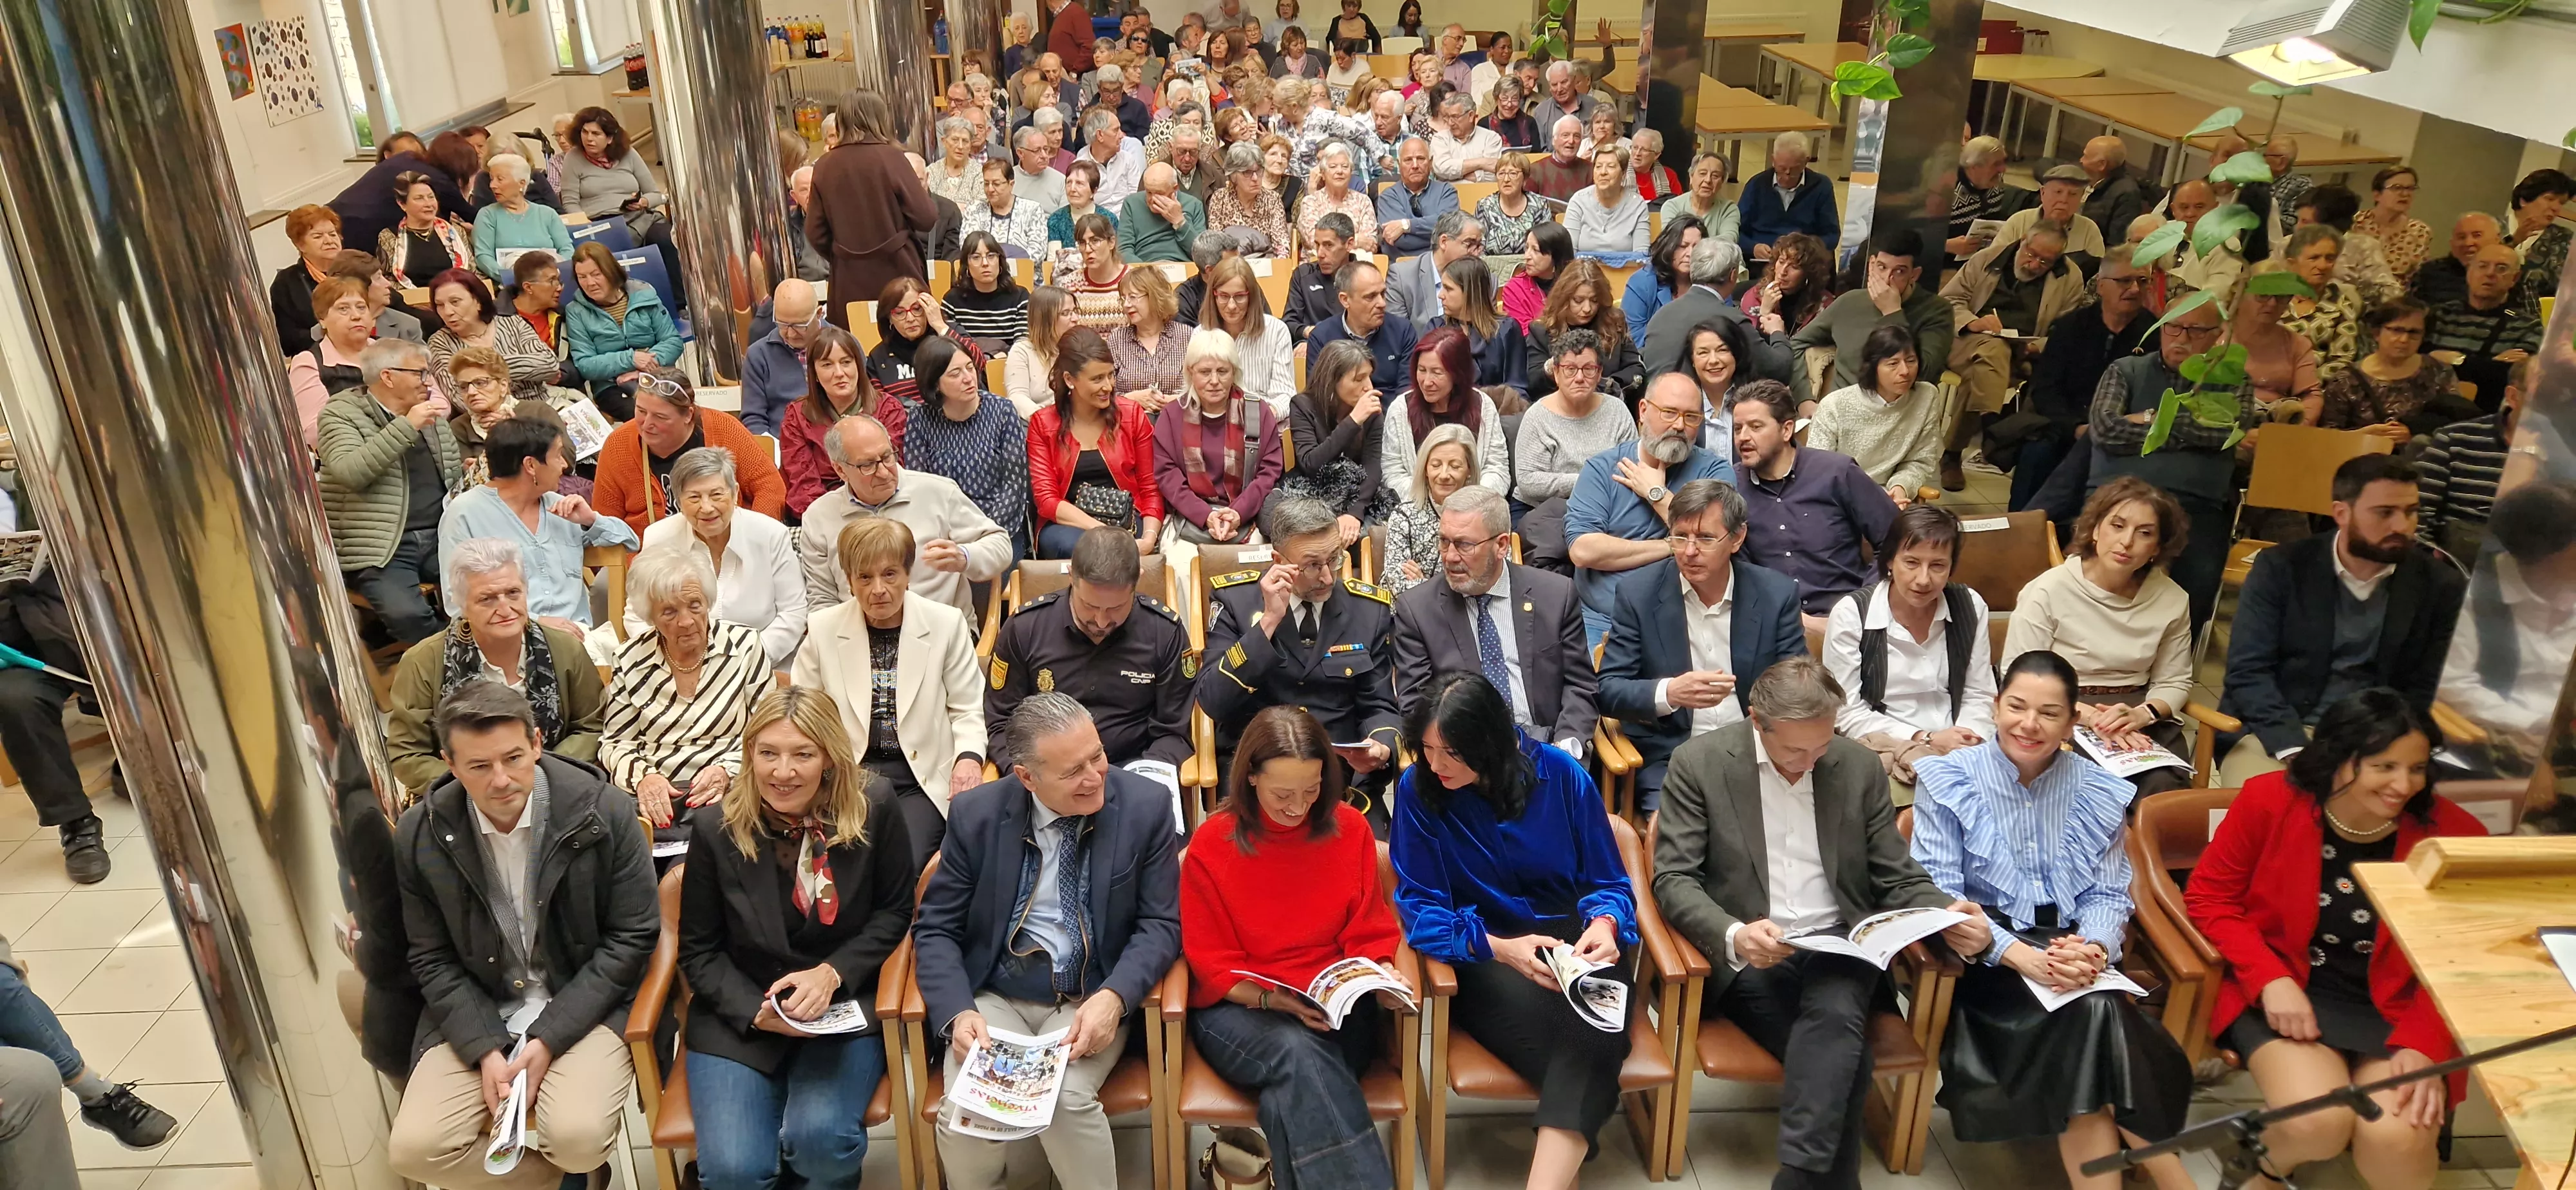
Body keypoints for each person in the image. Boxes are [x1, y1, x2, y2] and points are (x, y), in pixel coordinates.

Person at [1652, 656, 1983, 1190]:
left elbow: (1895, 876)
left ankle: (1800, 1174)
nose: (1810, 762)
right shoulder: (1701, 763)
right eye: (1795, 750)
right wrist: (1736, 934)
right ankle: (1814, 1178)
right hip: (1757, 950)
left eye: (1822, 746)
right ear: (1758, 722)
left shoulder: (1855, 767)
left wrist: (1944, 910)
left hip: (1840, 944)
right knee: (1842, 1060)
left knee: (1834, 1014)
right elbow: (1674, 880)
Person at [1909, 651, 2197, 1190]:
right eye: (2016, 707)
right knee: (2100, 1014)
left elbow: (2109, 890)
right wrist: (2022, 957)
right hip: (1987, 959)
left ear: (2071, 722)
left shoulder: (2095, 786)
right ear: (1995, 708)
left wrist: (2092, 949)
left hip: (2071, 953)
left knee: (2094, 1011)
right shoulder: (1950, 778)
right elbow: (1939, 893)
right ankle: (2176, 1178)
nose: (2029, 724)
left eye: (2048, 713)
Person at [2184, 690, 2474, 1190]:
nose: (2403, 785)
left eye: (2418, 768)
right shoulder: (2269, 800)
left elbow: (2462, 955)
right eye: (2384, 766)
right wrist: (2269, 978)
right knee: (2316, 1120)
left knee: (2398, 1135)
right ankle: (2266, 1171)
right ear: (2340, 758)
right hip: (2290, 982)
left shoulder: (2455, 836)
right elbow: (2210, 897)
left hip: (2400, 1004)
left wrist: (2427, 1044)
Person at [386, 679, 657, 1190]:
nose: (502, 780)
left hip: (584, 1001)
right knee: (414, 1151)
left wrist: (549, 1038)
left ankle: (578, 1167)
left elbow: (633, 938)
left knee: (575, 1136)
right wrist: (485, 1048)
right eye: (479, 766)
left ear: (537, 742)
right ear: (449, 762)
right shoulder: (420, 833)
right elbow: (431, 957)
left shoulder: (605, 812)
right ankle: (560, 1183)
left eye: (514, 757)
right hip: (482, 1004)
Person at [913, 689, 1178, 1190]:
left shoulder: (1145, 807)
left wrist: (1115, 999)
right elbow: (936, 927)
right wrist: (957, 1012)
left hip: (1089, 993)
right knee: (966, 1110)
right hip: (997, 995)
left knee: (1065, 1101)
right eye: (1072, 771)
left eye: (1096, 757)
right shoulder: (978, 815)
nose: (1094, 776)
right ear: (1027, 777)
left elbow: (1160, 925)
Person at [1389, 671, 1633, 1190]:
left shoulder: (1563, 775)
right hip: (1485, 945)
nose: (1436, 764)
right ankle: (1577, 1123)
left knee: (1596, 1024)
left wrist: (1607, 923)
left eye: (1451, 752)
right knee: (1597, 1047)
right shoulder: (1418, 791)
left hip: (1574, 937)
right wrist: (1498, 948)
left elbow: (1608, 880)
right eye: (1427, 749)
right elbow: (1418, 907)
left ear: (1492, 742)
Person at [674, 687, 915, 1190]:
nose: (783, 772)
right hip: (741, 1014)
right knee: (735, 1173)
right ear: (749, 756)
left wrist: (833, 974)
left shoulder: (875, 804)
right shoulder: (716, 827)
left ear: (828, 757)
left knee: (822, 1143)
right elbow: (699, 950)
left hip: (841, 1006)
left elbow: (895, 912)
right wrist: (753, 1010)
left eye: (802, 754)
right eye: (768, 754)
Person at [1179, 704, 1401, 1189]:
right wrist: (1271, 998)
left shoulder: (1350, 829)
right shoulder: (1213, 843)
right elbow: (1210, 963)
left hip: (1331, 1008)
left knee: (1290, 1094)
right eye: (1283, 794)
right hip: (1242, 1009)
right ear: (1251, 778)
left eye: (1312, 789)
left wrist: (1384, 974)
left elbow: (1369, 930)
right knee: (1295, 1053)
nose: (1298, 807)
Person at [2219, 455, 2464, 785]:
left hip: (2378, 738)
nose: (2402, 527)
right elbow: (2248, 672)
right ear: (2342, 514)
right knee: (2280, 812)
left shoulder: (2439, 585)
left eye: (2411, 512)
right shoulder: (2282, 568)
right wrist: (2293, 748)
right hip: (2279, 731)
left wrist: (2381, 752)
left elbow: (2425, 688)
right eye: (2385, 513)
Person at [1589, 476, 1804, 810]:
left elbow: (1798, 686)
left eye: (1705, 538)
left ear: (1737, 538)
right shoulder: (1639, 594)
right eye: (1679, 537)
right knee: (1684, 838)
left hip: (1760, 752)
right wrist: (1670, 693)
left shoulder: (1775, 595)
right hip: (1673, 758)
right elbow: (1609, 690)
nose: (1689, 552)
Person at [786, 516, 983, 870]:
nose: (879, 589)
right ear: (849, 581)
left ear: (909, 575)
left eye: (890, 574)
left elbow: (968, 708)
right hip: (847, 777)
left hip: (919, 781)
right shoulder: (823, 629)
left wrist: (968, 759)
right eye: (865, 577)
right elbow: (804, 713)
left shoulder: (946, 624)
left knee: (900, 862)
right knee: (839, 862)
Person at [2003, 477, 2199, 800]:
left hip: (2137, 713)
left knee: (2162, 792)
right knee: (2091, 792)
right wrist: (2092, 717)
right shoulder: (2048, 590)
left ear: (2158, 548)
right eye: (2117, 526)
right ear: (2095, 530)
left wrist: (2142, 714)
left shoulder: (2172, 599)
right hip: (2063, 710)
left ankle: (2144, 852)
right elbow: (2019, 674)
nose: (2127, 542)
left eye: (2145, 533)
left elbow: (2175, 681)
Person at [2087, 296, 2259, 631]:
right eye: (2173, 327)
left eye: (2194, 330)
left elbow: (2224, 433)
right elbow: (2106, 429)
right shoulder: (2126, 370)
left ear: (2217, 336)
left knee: (2198, 582)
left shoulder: (2235, 382)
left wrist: (2150, 419)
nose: (2180, 338)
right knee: (2101, 575)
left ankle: (2172, 664)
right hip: (2119, 500)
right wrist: (2187, 431)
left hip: (2195, 505)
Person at [387, 538, 607, 795]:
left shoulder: (566, 649)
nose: (505, 609)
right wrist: (478, 783)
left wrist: (538, 774)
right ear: (462, 606)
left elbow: (592, 727)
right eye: (487, 599)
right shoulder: (423, 661)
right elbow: (407, 754)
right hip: (464, 798)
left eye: (513, 593)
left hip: (557, 789)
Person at [1389, 484, 1597, 751]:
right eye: (1444, 541)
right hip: (1465, 756)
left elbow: (1580, 684)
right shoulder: (1417, 609)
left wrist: (1567, 742)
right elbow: (1416, 705)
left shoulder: (1556, 595)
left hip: (1549, 749)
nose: (1450, 557)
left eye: (1464, 544)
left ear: (1501, 545)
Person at [1197, 497, 1403, 764]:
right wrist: (1268, 622)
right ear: (1279, 561)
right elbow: (1214, 702)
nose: (1328, 577)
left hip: (1340, 772)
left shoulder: (1368, 610)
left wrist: (1381, 746)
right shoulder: (1235, 601)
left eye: (1334, 559)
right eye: (1312, 566)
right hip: (1258, 771)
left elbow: (1379, 705)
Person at [1819, 505, 1996, 800]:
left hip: (1960, 744)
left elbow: (1978, 693)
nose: (1923, 579)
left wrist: (1967, 738)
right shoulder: (1853, 614)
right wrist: (1924, 740)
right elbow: (1846, 711)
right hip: (1885, 747)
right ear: (1890, 561)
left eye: (1938, 566)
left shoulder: (1970, 606)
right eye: (1911, 562)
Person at [600, 543, 768, 831]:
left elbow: (768, 732)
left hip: (728, 793)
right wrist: (644, 778)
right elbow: (615, 743)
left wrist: (726, 771)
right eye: (669, 612)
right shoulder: (630, 659)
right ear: (650, 616)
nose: (687, 621)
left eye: (695, 605)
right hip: (653, 795)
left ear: (708, 601)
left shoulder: (745, 646)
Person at [1566, 372, 1739, 640]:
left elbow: (1715, 540)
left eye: (1691, 417)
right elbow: (1583, 551)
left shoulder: (1714, 470)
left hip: (1691, 620)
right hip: (1606, 619)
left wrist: (1657, 494)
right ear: (1644, 411)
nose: (1680, 426)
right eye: (1669, 413)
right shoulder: (1602, 470)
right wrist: (1671, 545)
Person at [437, 415, 640, 643]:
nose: (564, 464)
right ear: (531, 465)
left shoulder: (561, 506)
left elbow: (631, 543)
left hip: (577, 641)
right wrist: (532, 623)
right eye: (557, 455)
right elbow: (457, 603)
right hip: (509, 642)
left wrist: (591, 520)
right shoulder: (465, 514)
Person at [318, 339, 461, 646]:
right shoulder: (340, 414)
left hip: (443, 535)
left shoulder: (429, 415)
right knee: (408, 615)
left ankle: (476, 658)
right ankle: (453, 668)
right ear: (388, 376)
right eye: (420, 374)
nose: (428, 382)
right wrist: (406, 426)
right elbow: (350, 471)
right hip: (382, 547)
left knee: (495, 586)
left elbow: (451, 475)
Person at [800, 412, 1015, 614]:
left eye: (887, 457)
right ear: (840, 470)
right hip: (858, 638)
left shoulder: (938, 492)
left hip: (941, 632)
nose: (884, 472)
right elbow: (822, 600)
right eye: (868, 465)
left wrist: (965, 557)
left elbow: (1000, 545)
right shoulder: (819, 517)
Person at [627, 448, 807, 672]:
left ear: (735, 494)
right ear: (679, 502)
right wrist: (674, 660)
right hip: (681, 667)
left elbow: (793, 612)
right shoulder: (660, 536)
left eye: (716, 495)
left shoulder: (771, 534)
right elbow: (637, 615)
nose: (707, 507)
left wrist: (749, 662)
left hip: (764, 665)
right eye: (694, 497)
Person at [1731, 381, 1899, 620]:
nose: (1743, 437)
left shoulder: (1837, 472)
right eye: (1738, 429)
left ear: (1786, 430)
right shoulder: (1733, 485)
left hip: (1849, 615)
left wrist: (1862, 605)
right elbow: (1741, 570)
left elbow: (1895, 539)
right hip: (1774, 621)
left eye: (1755, 427)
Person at [1938, 227, 2083, 489]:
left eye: (2045, 261)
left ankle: (1953, 454)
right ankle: (1995, 428)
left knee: (1981, 374)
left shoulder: (2070, 277)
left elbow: (2067, 329)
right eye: (2031, 254)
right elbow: (1948, 300)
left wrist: (2037, 346)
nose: (2035, 264)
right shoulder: (1988, 259)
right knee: (1994, 350)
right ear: (2022, 242)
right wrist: (1974, 322)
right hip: (1967, 340)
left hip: (2023, 350)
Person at [0, 569, 120, 882]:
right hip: (17, 647)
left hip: (85, 613)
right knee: (14, 699)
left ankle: (137, 759)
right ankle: (77, 823)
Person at [2012, 254, 2151, 513]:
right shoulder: (2071, 327)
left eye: (2142, 281)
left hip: (2124, 434)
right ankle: (2020, 532)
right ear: (2100, 285)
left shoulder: (2154, 334)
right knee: (2037, 454)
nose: (2134, 289)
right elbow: (2045, 390)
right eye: (2125, 281)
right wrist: (2075, 427)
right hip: (2067, 425)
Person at [592, 368, 789, 534]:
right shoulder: (618, 446)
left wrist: (752, 539)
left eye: (660, 417)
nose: (647, 424)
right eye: (641, 411)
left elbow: (770, 488)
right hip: (652, 559)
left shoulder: (726, 430)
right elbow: (607, 522)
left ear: (688, 415)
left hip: (729, 545)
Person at [810, 91, 938, 330]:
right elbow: (926, 218)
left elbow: (815, 232)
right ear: (880, 118)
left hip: (848, 278)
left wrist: (846, 254)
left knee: (852, 353)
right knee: (910, 343)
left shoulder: (824, 165)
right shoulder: (893, 158)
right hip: (899, 270)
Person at [1155, 326, 1285, 559]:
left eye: (1222, 371)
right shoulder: (1173, 415)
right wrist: (1205, 515)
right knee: (1180, 564)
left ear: (1234, 372)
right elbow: (1168, 476)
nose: (1214, 381)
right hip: (1189, 517)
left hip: (1246, 515)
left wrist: (1238, 512)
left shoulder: (1257, 412)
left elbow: (1269, 472)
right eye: (1205, 372)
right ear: (1190, 372)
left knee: (1255, 564)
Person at [1790, 229, 1951, 414]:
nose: (1886, 279)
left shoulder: (1937, 311)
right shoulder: (1849, 301)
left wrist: (1892, 312)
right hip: (1839, 413)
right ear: (1871, 265)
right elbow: (1796, 344)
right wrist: (1803, 399)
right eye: (1882, 267)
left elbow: (1924, 374)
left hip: (1898, 416)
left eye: (1899, 271)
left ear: (1914, 275)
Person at [1804, 325, 1942, 508]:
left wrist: (1901, 487)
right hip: (1838, 499)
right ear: (1873, 367)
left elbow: (1920, 461)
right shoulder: (1835, 405)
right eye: (1893, 363)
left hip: (1889, 497)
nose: (1905, 371)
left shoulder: (1927, 396)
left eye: (1911, 360)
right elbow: (1818, 471)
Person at [2416, 357, 2526, 560]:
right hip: (2461, 565)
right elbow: (2417, 514)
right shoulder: (2454, 440)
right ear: (2513, 396)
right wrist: (2431, 566)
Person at [2313, 296, 2464, 444]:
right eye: (2397, 330)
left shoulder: (2439, 371)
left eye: (2414, 333)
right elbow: (2327, 436)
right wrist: (2362, 436)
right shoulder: (2346, 379)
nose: (2404, 340)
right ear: (2377, 333)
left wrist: (2414, 434)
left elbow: (2456, 425)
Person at [565, 241, 683, 416]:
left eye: (596, 274)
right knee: (643, 414)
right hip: (612, 385)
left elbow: (673, 341)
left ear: (611, 271)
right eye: (582, 277)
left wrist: (640, 370)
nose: (590, 283)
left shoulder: (643, 294)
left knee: (680, 412)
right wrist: (631, 359)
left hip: (657, 374)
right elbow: (585, 364)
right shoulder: (576, 311)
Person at [328, 133, 472, 270]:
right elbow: (475, 216)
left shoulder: (406, 157)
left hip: (333, 213)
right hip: (360, 227)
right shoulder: (440, 180)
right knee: (361, 275)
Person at [2426, 243, 2541, 413]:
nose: (2490, 273)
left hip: (2485, 415)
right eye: (2482, 266)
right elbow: (2419, 361)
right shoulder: (2439, 315)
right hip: (2427, 406)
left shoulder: (2528, 326)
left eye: (2501, 268)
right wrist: (2490, 363)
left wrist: (2459, 360)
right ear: (2469, 272)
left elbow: (2506, 377)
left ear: (2515, 279)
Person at [426, 270, 561, 402]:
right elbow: (459, 397)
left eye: (455, 302)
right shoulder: (440, 342)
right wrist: (526, 369)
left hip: (541, 405)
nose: (448, 312)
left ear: (478, 301)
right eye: (440, 305)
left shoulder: (513, 323)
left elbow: (550, 365)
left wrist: (477, 374)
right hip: (490, 418)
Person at [1528, 258, 1646, 405]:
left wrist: (1608, 386)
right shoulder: (1542, 330)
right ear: (1564, 299)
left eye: (1594, 300)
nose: (1587, 309)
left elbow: (1636, 368)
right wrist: (1553, 367)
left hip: (1608, 406)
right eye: (1578, 300)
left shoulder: (1614, 322)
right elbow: (1532, 382)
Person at [1379, 425, 1479, 595]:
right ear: (1425, 469)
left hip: (1467, 615)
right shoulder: (1404, 516)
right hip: (1409, 616)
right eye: (1436, 465)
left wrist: (1424, 584)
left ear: (1469, 470)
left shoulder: (1484, 516)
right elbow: (1397, 585)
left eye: (1455, 466)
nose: (1444, 474)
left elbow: (1488, 580)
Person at [1311, 261, 1425, 397]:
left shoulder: (1403, 331)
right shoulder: (1321, 337)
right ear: (1345, 300)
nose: (1382, 303)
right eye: (1371, 297)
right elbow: (1320, 397)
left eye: (1383, 294)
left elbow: (1406, 394)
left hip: (1391, 416)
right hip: (1343, 418)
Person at [290, 277, 379, 446]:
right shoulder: (309, 363)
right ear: (322, 319)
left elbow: (438, 402)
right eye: (343, 309)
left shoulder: (392, 351)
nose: (356, 316)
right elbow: (315, 431)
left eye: (361, 307)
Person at [2277, 223, 2369, 381]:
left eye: (2330, 258)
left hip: (2314, 388)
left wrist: (2305, 383)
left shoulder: (2341, 304)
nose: (2323, 266)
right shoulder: (2271, 297)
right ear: (2292, 263)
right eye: (2314, 258)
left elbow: (2342, 360)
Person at [1738, 132, 1839, 270]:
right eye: (1781, 168)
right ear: (1773, 160)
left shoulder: (1821, 186)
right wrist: (1753, 247)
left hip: (1803, 262)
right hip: (1762, 262)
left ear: (1806, 162)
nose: (1787, 175)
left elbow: (1832, 235)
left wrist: (1807, 250)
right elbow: (1737, 230)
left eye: (1794, 170)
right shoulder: (1757, 184)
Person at [471, 154, 573, 279]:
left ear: (521, 183)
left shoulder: (547, 214)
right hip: (510, 285)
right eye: (492, 179)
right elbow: (483, 256)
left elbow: (567, 250)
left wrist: (553, 274)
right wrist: (510, 277)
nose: (493, 185)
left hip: (551, 281)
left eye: (500, 179)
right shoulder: (487, 215)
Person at [376, 171, 476, 291]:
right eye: (419, 198)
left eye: (431, 197)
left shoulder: (455, 231)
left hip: (456, 296)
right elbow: (387, 279)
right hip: (411, 303)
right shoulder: (390, 236)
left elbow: (472, 270)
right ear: (402, 204)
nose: (428, 204)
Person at [1109, 264, 1191, 410]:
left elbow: (1202, 389)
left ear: (1154, 297)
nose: (1126, 305)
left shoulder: (1186, 336)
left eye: (1133, 297)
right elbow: (1102, 394)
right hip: (1130, 426)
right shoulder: (1116, 340)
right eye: (1123, 298)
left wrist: (1178, 400)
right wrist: (1130, 399)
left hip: (1179, 423)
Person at [1945, 135, 2033, 270]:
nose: (2003, 169)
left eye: (2004, 162)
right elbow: (1912, 238)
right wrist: (1947, 246)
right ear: (1974, 167)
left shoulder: (1995, 186)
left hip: (1980, 261)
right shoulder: (1946, 191)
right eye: (1996, 164)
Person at [273, 203, 348, 357]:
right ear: (300, 245)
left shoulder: (356, 267)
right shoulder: (287, 283)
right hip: (321, 360)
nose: (329, 241)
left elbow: (393, 303)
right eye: (318, 236)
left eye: (333, 234)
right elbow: (288, 342)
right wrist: (326, 331)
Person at [1384, 209, 1480, 329]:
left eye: (1479, 246)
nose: (1476, 254)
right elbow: (1398, 335)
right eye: (1469, 244)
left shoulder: (1483, 278)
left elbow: (1487, 332)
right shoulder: (1401, 277)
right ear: (1444, 242)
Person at [1622, 214, 1703, 346]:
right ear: (1668, 247)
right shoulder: (1641, 283)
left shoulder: (1713, 280)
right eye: (1683, 246)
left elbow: (1725, 330)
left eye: (1697, 247)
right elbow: (1634, 340)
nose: (1690, 253)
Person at [1741, 231, 1834, 345]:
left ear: (1808, 273)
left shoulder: (1824, 304)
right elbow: (1752, 347)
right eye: (1781, 262)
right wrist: (1765, 311)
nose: (1783, 271)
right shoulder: (1756, 296)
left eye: (1794, 267)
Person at [1374, 137, 1459, 259]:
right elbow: (1400, 241)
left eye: (1421, 159)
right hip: (1402, 270)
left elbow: (1451, 227)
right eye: (1408, 160)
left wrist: (1406, 225)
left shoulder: (1446, 191)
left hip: (1442, 269)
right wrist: (1437, 238)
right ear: (1399, 164)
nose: (1415, 165)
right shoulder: (1388, 197)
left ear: (1430, 162)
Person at [1564, 144, 1651, 254]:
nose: (1603, 172)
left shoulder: (1637, 205)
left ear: (1623, 174)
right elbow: (1569, 253)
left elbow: (1641, 256)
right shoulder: (1579, 201)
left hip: (1626, 271)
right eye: (1598, 167)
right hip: (1584, 270)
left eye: (1611, 167)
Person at [1295, 141, 1380, 254]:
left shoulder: (1363, 201)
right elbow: (1315, 242)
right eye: (1333, 167)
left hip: (1355, 267)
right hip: (1317, 267)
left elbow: (1371, 244)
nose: (1340, 171)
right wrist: (1357, 240)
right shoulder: (1311, 202)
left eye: (1345, 167)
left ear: (1351, 172)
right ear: (1323, 174)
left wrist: (1333, 242)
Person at [1283, 212, 1356, 343]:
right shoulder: (1303, 275)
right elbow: (1289, 323)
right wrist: (1307, 333)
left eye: (1329, 245)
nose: (1320, 254)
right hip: (1311, 344)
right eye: (1317, 245)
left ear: (1349, 244)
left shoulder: (1364, 278)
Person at [2408, 212, 2506, 310]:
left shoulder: (2509, 272)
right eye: (2461, 237)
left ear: (2497, 239)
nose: (2468, 243)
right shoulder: (2430, 273)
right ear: (2452, 243)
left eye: (2477, 236)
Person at [2362, 166, 2432, 288]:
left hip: (2395, 300)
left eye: (2410, 189)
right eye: (2397, 188)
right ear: (2377, 195)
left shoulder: (2419, 231)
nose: (2405, 194)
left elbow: (2418, 279)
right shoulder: (2356, 223)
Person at [2076, 136, 2154, 244]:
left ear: (2101, 165)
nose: (2081, 160)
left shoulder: (2127, 196)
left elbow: (2115, 244)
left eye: (2086, 156)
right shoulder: (2080, 177)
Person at [1499, 221, 1575, 332]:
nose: (1527, 256)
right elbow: (1524, 335)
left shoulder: (1577, 283)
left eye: (1536, 250)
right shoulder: (1515, 288)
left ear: (1556, 255)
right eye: (1527, 248)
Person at [1521, 117, 1591, 203]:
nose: (1571, 141)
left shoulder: (1591, 170)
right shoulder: (1535, 170)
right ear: (1554, 140)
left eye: (1576, 136)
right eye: (1565, 135)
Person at [1480, 79, 1539, 155]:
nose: (1509, 105)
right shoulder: (1484, 124)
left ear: (1520, 100)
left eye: (1514, 99)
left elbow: (1537, 155)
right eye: (1505, 99)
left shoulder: (1530, 122)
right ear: (1497, 99)